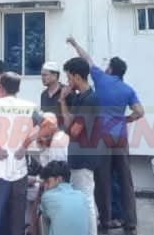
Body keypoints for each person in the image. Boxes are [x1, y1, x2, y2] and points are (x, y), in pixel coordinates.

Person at [66, 37, 143, 235]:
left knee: (103, 181)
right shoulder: (128, 89)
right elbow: (139, 112)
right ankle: (130, 225)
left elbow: (86, 59)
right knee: (125, 180)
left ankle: (106, 223)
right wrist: (125, 120)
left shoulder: (101, 78)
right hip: (121, 138)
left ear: (110, 69)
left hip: (102, 139)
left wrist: (74, 44)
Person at [0, 72, 42, 235]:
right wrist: (25, 144)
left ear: (1, 87)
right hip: (19, 170)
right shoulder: (29, 106)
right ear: (19, 88)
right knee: (17, 218)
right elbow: (47, 124)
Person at [59, 57, 101, 235]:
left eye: (69, 77)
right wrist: (62, 100)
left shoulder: (90, 99)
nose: (67, 81)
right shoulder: (78, 97)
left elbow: (74, 130)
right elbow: (69, 121)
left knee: (85, 200)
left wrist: (65, 132)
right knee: (83, 198)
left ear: (77, 76)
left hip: (84, 156)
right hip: (77, 155)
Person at [27, 113, 69, 235]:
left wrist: (39, 182)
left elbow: (55, 177)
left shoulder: (57, 144)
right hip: (60, 186)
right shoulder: (59, 138)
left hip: (59, 189)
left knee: (35, 198)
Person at [39, 161, 92, 235]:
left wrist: (40, 194)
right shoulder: (82, 196)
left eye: (48, 182)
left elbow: (42, 215)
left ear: (59, 179)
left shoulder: (47, 196)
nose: (46, 186)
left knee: (42, 215)